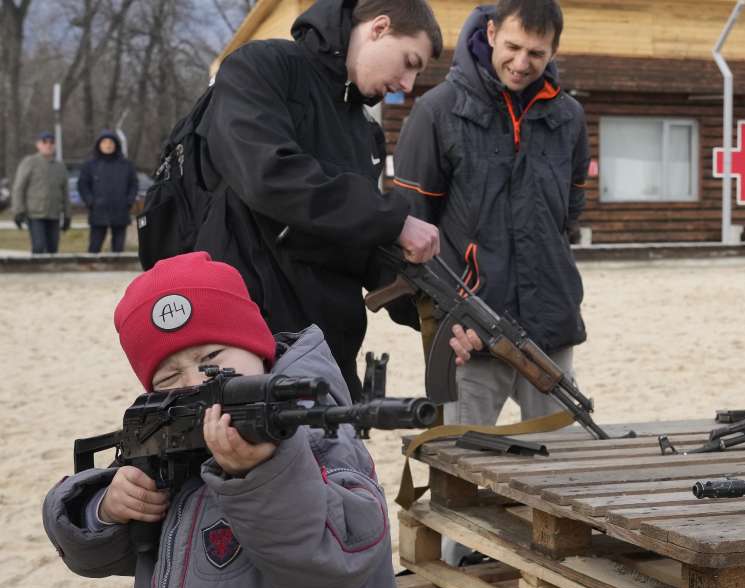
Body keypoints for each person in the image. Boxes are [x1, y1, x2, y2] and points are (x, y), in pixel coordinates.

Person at [43, 252, 397, 588]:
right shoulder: (167, 441)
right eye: (169, 378)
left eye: (212, 357)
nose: (195, 382)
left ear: (258, 347)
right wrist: (105, 509)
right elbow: (95, 556)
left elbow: (336, 567)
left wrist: (266, 475)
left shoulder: (313, 428)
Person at [195, 0, 444, 399]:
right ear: (379, 28)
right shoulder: (261, 67)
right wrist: (393, 220)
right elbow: (268, 175)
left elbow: (357, 244)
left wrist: (433, 311)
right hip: (246, 339)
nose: (407, 85)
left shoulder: (365, 133)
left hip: (330, 353)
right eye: (408, 62)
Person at [393, 0, 590, 429]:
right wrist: (444, 314)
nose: (521, 63)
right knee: (461, 473)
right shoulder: (435, 112)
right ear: (491, 33)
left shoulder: (571, 118)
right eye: (513, 46)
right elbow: (410, 226)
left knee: (565, 472)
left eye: (536, 54)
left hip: (550, 328)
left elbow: (569, 215)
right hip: (469, 334)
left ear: (553, 51)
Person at [79, 130, 138, 253]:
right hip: (98, 210)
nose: (108, 145)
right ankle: (91, 269)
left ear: (116, 144)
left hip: (120, 210)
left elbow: (133, 184)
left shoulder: (126, 165)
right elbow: (83, 185)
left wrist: (129, 201)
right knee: (94, 246)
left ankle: (117, 270)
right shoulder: (90, 165)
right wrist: (90, 202)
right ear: (99, 145)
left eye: (111, 142)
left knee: (118, 248)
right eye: (104, 142)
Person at [12, 131, 70, 254]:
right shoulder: (30, 162)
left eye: (51, 143)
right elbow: (19, 188)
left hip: (54, 214)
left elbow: (65, 193)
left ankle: (51, 272)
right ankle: (36, 272)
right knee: (39, 246)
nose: (48, 145)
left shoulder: (60, 167)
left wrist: (67, 215)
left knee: (53, 249)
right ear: (38, 145)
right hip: (35, 214)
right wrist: (18, 211)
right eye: (45, 142)